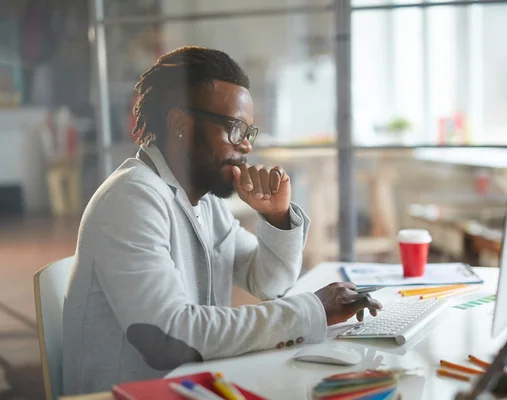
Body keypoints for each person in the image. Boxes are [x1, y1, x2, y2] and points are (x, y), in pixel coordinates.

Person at [62, 46, 382, 395]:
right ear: (180, 124)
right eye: (234, 128)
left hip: (193, 384)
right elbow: (167, 336)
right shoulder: (131, 199)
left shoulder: (203, 201)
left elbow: (269, 282)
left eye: (248, 132)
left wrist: (275, 218)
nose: (245, 146)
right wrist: (312, 309)